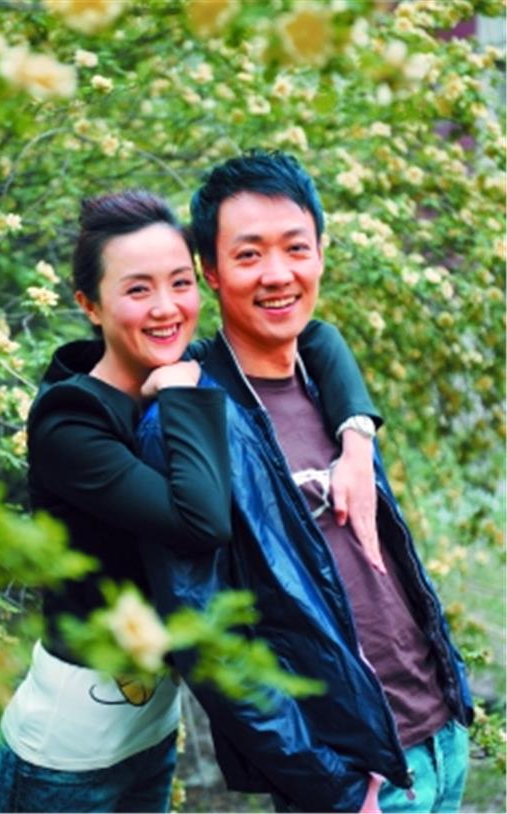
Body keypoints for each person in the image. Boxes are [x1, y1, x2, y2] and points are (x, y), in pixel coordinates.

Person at [0, 189, 382, 813]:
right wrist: (182, 394)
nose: (166, 307)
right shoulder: (71, 422)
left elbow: (317, 337)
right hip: (64, 757)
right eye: (138, 289)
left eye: (180, 283)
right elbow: (201, 522)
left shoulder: (179, 364)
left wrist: (357, 440)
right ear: (89, 304)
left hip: (150, 733)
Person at [137, 151, 473, 814]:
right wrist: (330, 785)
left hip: (441, 737)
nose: (278, 274)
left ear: (321, 253)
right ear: (210, 272)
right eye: (249, 254)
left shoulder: (331, 390)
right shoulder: (187, 418)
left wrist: (453, 703)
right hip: (359, 775)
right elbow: (207, 638)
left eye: (296, 248)